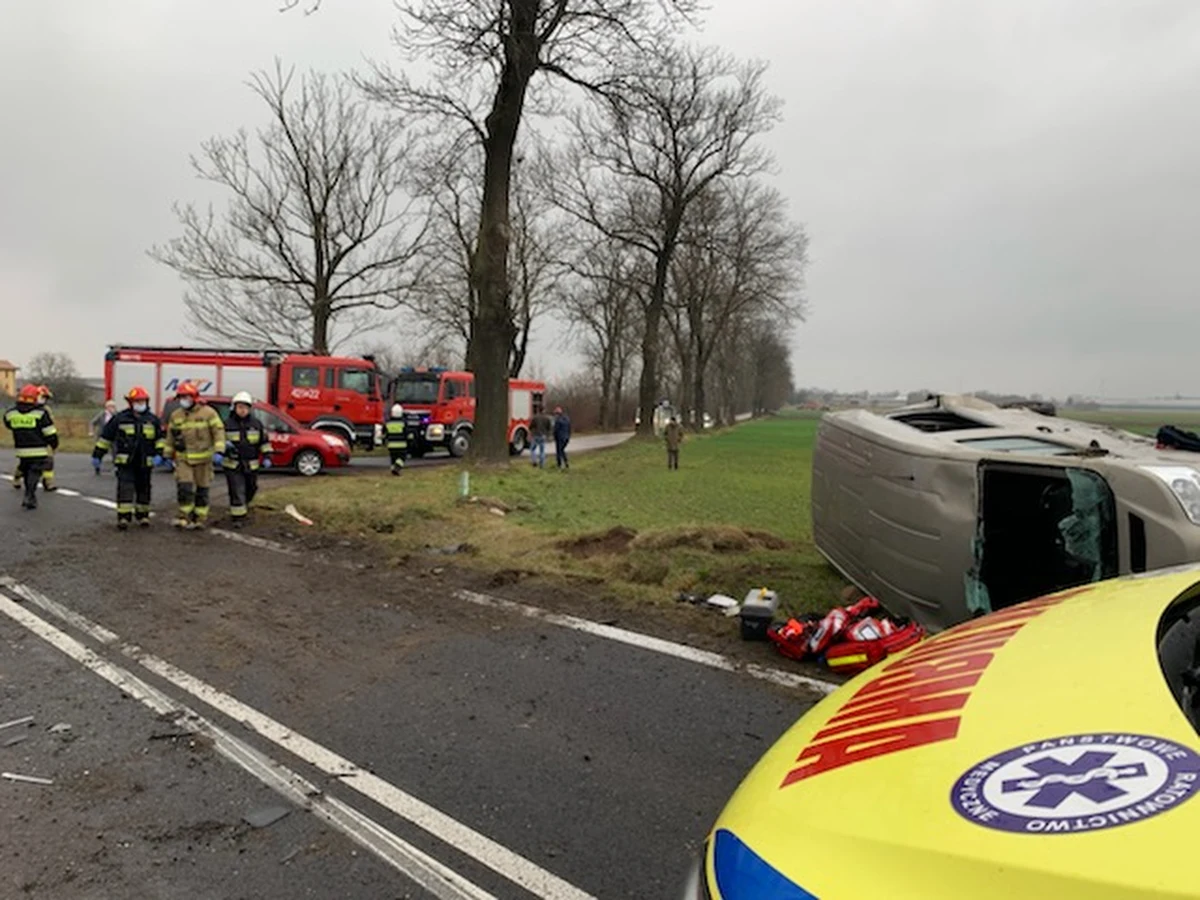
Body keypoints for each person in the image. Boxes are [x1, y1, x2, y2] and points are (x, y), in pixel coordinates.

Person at [92, 386, 164, 529]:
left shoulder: (153, 419)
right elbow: (106, 437)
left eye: (142, 401)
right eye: (137, 401)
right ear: (131, 402)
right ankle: (123, 518)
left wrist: (160, 455)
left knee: (144, 489)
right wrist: (97, 455)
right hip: (126, 462)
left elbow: (160, 439)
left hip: (145, 462)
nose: (140, 403)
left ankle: (143, 516)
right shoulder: (119, 419)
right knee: (125, 488)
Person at [163, 381, 225, 530]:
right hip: (184, 458)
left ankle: (200, 518)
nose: (184, 400)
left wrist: (219, 450)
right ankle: (184, 516)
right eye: (182, 397)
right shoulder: (176, 415)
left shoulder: (208, 413)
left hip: (204, 459)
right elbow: (171, 437)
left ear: (195, 397)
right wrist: (166, 454)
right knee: (184, 487)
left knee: (202, 489)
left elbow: (218, 431)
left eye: (187, 396)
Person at [3, 384, 58, 510]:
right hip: (38, 449)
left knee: (27, 470)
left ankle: (29, 493)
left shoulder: (11, 413)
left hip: (21, 449)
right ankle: (29, 496)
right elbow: (49, 432)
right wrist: (54, 444)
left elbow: (8, 423)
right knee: (34, 472)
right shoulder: (40, 413)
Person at [221, 391, 272, 528]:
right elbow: (219, 442)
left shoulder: (256, 424)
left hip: (251, 465)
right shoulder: (227, 424)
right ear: (234, 408)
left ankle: (244, 506)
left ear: (249, 409)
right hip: (233, 464)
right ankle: (238, 517)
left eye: (245, 407)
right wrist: (222, 450)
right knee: (237, 490)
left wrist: (267, 456)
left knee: (252, 488)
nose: (242, 410)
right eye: (240, 407)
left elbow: (264, 442)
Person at [35, 385, 57, 492]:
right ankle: (17, 477)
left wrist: (52, 439)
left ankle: (48, 482)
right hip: (32, 439)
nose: (44, 400)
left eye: (46, 398)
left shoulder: (47, 410)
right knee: (26, 462)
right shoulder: (28, 409)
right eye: (43, 397)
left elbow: (50, 424)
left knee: (49, 461)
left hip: (45, 439)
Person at [384, 403, 408, 476]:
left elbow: (385, 433)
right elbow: (406, 433)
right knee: (402, 458)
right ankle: (397, 468)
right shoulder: (403, 423)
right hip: (402, 445)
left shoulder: (388, 423)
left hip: (391, 445)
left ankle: (392, 469)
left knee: (393, 458)